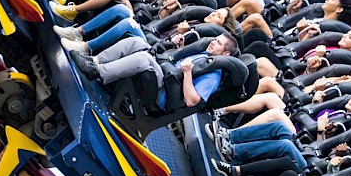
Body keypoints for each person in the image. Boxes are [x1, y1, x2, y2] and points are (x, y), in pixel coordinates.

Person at [72, 33, 239, 111]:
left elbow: (192, 101)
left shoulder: (213, 77)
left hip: (164, 93)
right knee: (136, 42)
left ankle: (96, 72)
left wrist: (187, 74)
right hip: (164, 72)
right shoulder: (203, 53)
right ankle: (94, 61)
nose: (212, 43)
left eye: (218, 43)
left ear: (225, 54)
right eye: (214, 39)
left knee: (143, 59)